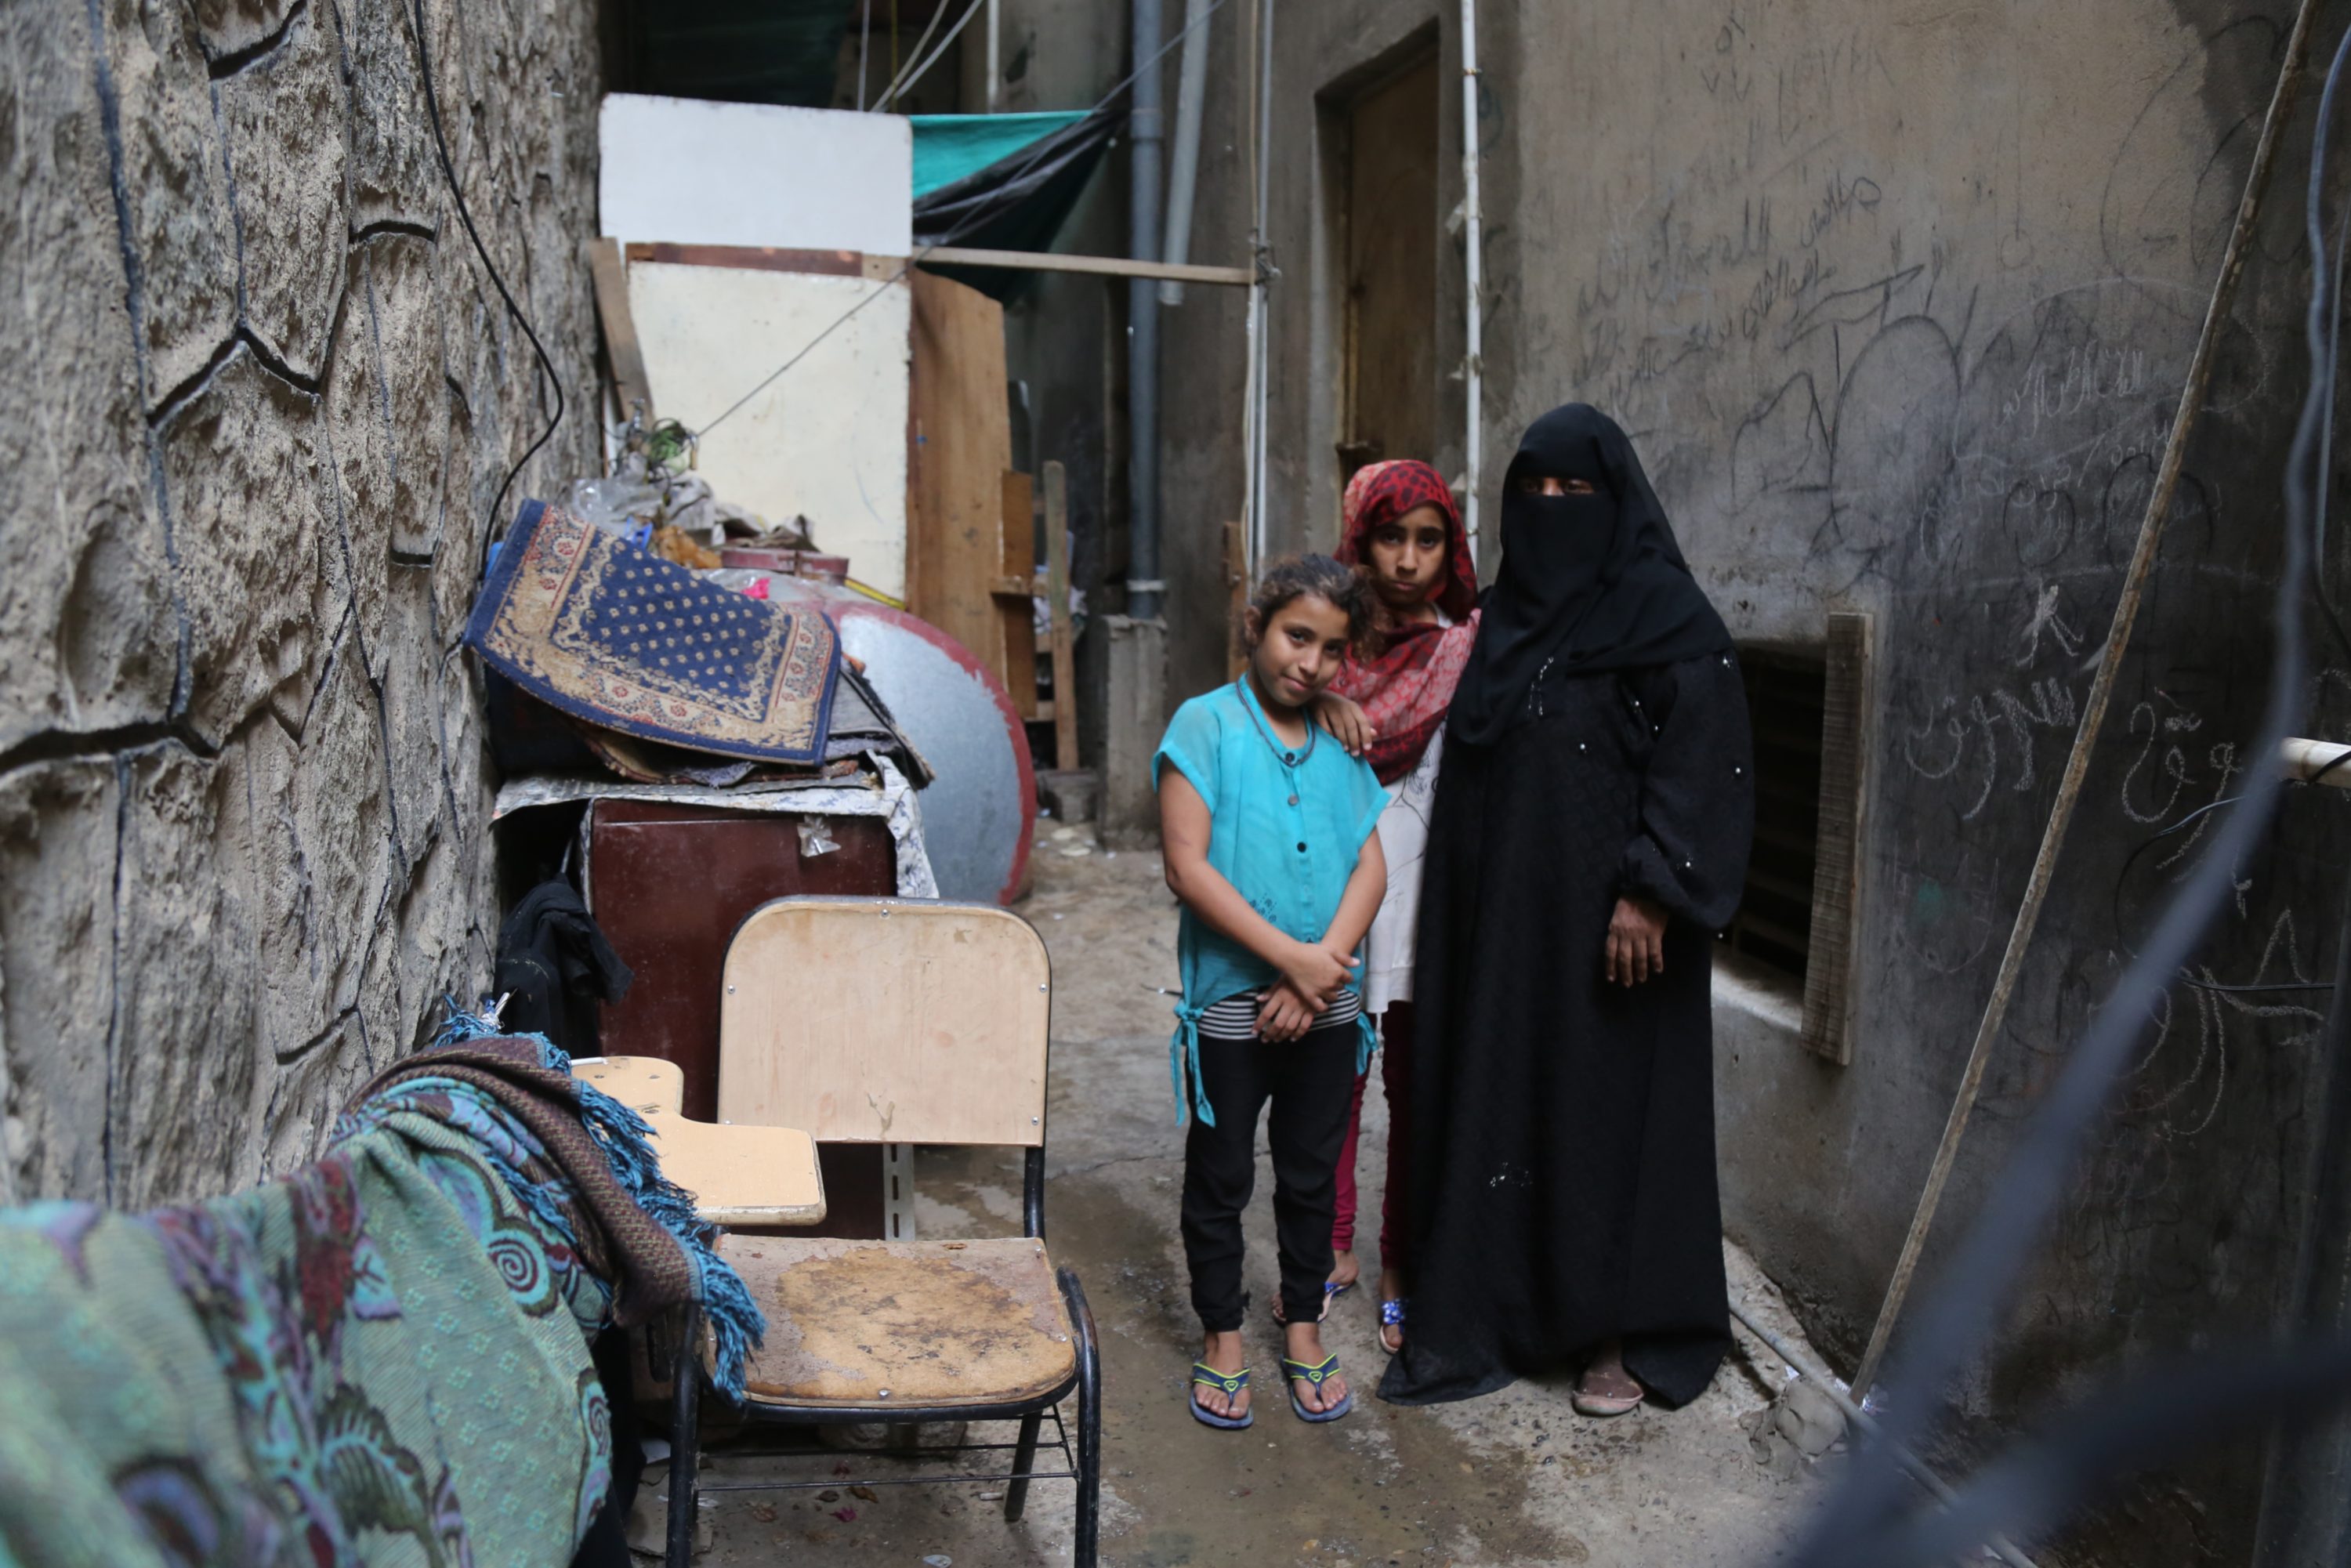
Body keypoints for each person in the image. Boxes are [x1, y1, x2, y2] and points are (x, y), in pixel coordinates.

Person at [1377, 404, 1755, 1417]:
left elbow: (1706, 758)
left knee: (1604, 1117)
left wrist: (1653, 890)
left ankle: (1613, 1336)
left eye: (1574, 491)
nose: (1551, 509)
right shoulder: (1499, 621)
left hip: (1614, 933)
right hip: (1507, 922)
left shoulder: (1666, 617)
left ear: (1615, 499)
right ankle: (1499, 1306)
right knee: (1508, 1096)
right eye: (1532, 491)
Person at [1156, 555, 1392, 1429]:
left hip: (1327, 1003)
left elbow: (1371, 865)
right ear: (1256, 626)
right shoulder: (1206, 725)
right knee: (1221, 1174)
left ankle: (1302, 1325)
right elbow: (1187, 867)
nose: (1312, 663)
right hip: (1232, 1003)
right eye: (1298, 636)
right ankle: (1223, 1333)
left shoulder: (1336, 740)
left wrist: (1320, 966)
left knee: (1309, 1174)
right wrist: (1294, 960)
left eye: (1332, 650)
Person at [1299, 460, 1481, 1356]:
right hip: (1336, 892)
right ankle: (1333, 1247)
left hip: (1429, 900)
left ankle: (1401, 1261)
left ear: (1453, 548)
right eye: (1390, 537)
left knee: (1415, 1084)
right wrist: (1323, 694)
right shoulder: (1327, 652)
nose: (1408, 560)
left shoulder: (1471, 648)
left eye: (1428, 539)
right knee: (1335, 1077)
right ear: (1360, 542)